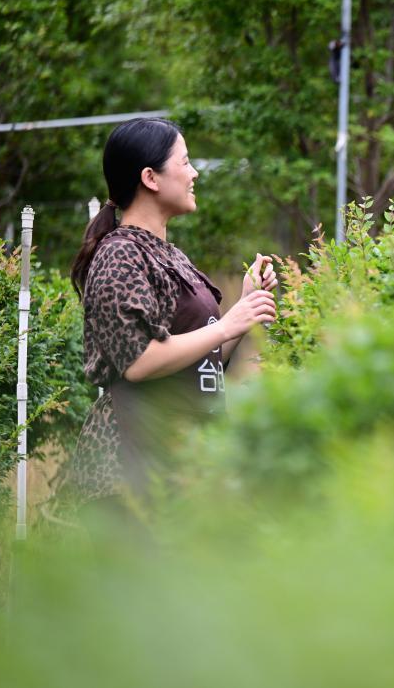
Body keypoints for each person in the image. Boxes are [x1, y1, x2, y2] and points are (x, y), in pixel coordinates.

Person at [60, 117, 278, 514]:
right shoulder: (120, 253)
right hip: (130, 466)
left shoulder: (171, 254)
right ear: (150, 178)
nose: (195, 174)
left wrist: (243, 309)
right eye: (185, 162)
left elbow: (202, 360)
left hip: (180, 459)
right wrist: (228, 324)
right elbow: (140, 362)